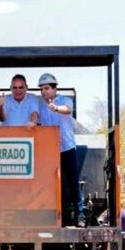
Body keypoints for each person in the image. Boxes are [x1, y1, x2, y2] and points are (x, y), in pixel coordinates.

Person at [37, 72, 85, 227]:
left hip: (68, 148)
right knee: (51, 185)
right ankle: (55, 217)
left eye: (46, 88)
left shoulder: (65, 100)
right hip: (50, 152)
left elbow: (67, 110)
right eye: (42, 89)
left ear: (54, 89)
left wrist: (56, 108)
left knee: (73, 182)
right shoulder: (40, 106)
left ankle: (80, 215)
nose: (44, 92)